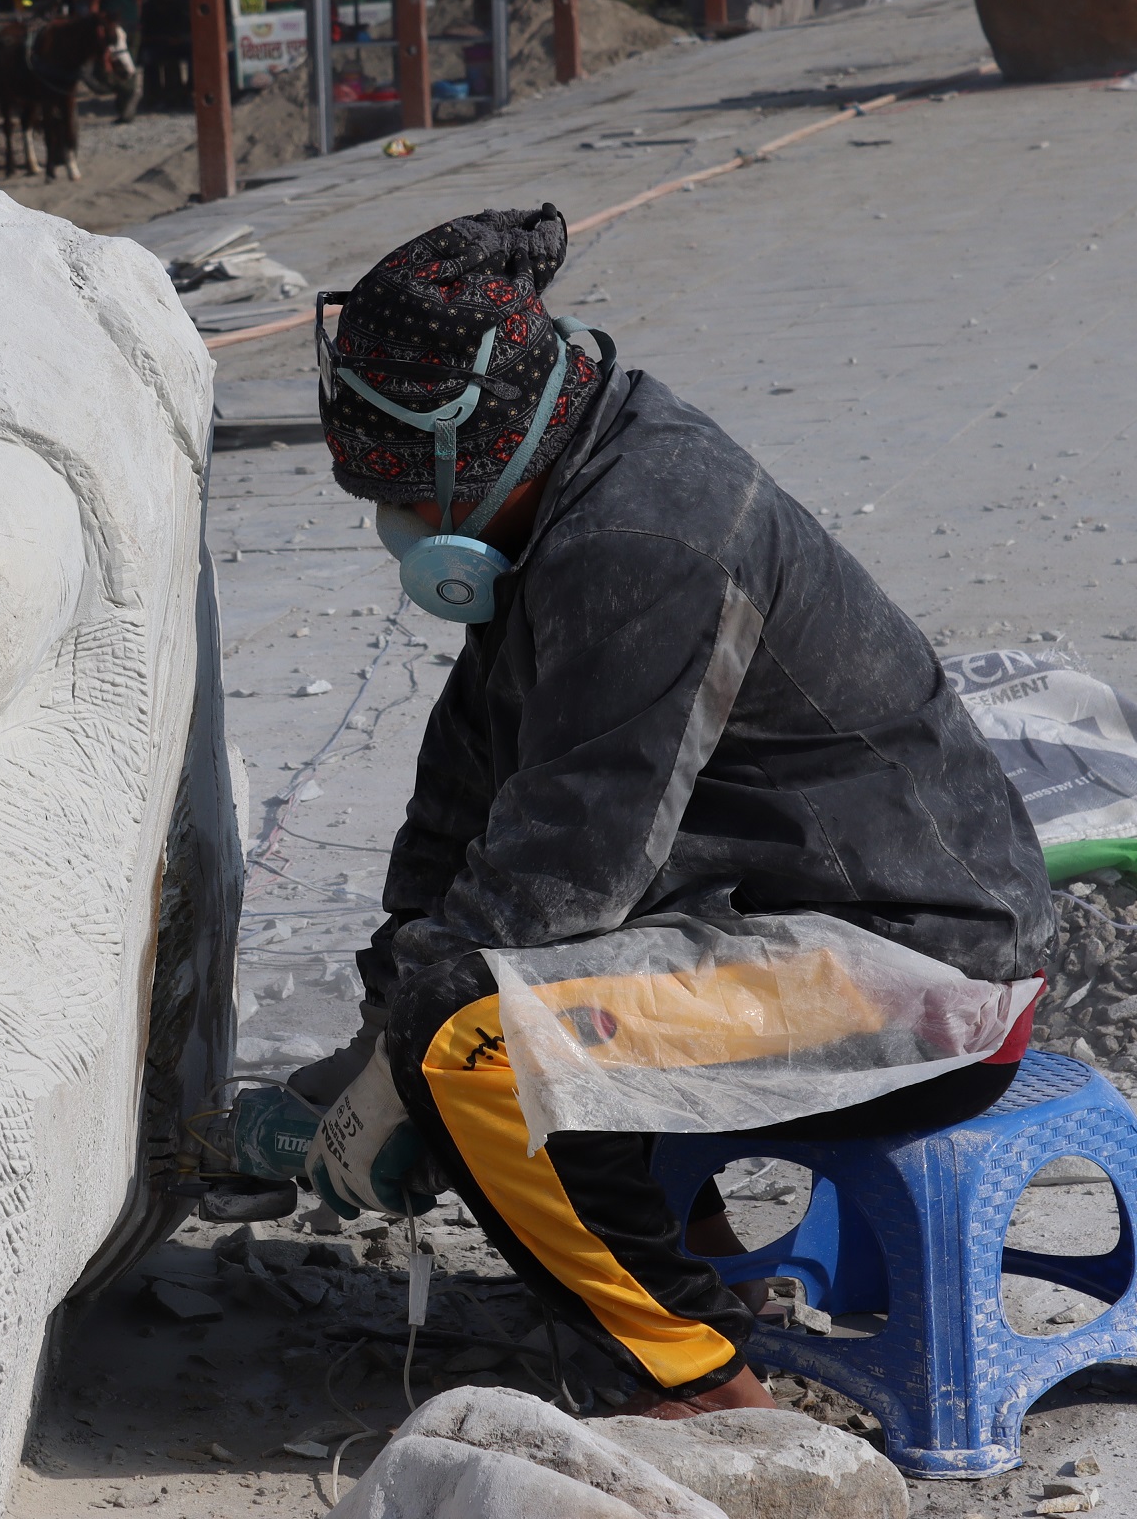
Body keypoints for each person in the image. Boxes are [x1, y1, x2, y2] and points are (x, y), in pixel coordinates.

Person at [288, 207, 1053, 1417]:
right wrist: (374, 1011)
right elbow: (467, 802)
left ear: (462, 456)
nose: (397, 528)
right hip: (794, 917)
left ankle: (697, 1384)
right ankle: (690, 1257)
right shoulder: (570, 482)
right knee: (453, 1000)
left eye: (394, 496)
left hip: (917, 971)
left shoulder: (644, 538)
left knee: (468, 1041)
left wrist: (399, 1060)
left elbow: (561, 874)